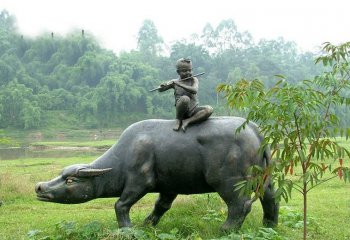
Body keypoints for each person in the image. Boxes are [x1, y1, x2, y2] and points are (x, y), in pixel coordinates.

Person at [158, 58, 213, 132]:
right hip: (182, 111)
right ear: (178, 72)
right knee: (185, 99)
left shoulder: (194, 80)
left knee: (209, 109)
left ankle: (187, 121)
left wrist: (180, 84)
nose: (188, 73)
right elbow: (160, 90)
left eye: (190, 70)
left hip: (193, 111)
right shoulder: (174, 82)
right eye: (184, 71)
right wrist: (161, 86)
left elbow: (194, 90)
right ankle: (178, 120)